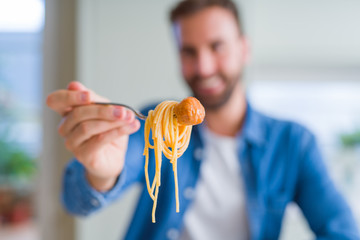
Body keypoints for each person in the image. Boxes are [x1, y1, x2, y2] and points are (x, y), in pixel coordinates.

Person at [46, 0, 359, 239]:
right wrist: (101, 174)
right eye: (189, 52)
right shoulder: (153, 123)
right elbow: (75, 202)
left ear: (244, 49)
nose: (204, 67)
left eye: (217, 47)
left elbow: (342, 230)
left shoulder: (293, 143)